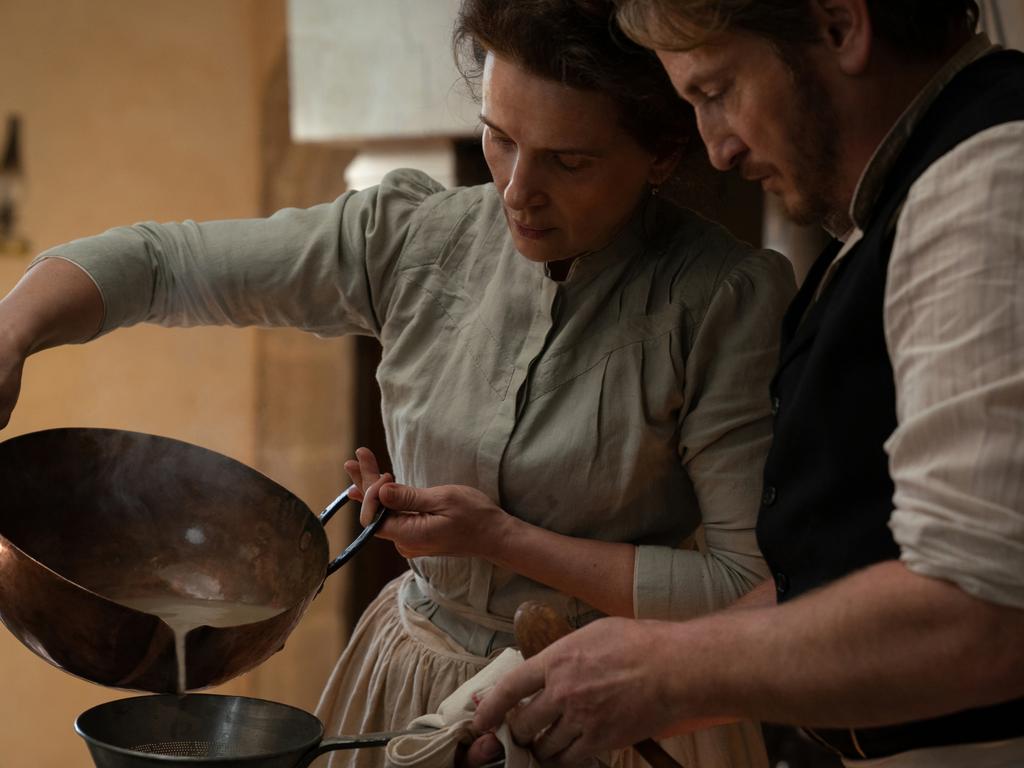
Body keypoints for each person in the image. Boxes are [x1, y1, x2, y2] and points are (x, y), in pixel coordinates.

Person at [0, 1, 794, 767]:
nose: (518, 190)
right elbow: (161, 265)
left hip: (609, 706)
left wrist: (501, 539)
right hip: (407, 686)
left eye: (570, 161)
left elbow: (744, 593)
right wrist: (13, 332)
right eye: (499, 138)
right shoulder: (411, 237)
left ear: (660, 154)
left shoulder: (721, 300)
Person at [472, 0, 1024, 766]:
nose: (717, 149)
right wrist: (631, 666)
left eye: (715, 90)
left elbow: (981, 613)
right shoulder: (907, 193)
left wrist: (666, 672)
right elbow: (848, 559)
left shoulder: (989, 186)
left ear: (840, 23)